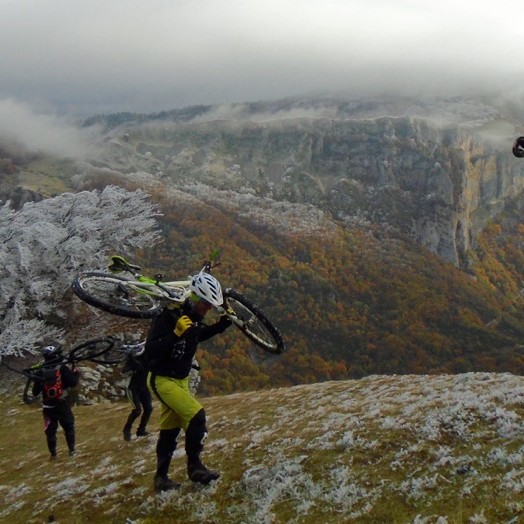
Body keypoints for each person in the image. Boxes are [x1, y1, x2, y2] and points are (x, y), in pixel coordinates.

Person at [146, 272, 232, 493]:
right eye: (205, 304)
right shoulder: (168, 316)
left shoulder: (193, 317)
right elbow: (151, 349)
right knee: (196, 416)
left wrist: (221, 326)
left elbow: (195, 335)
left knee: (170, 428)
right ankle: (195, 467)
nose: (208, 309)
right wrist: (174, 335)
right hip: (162, 378)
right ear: (194, 299)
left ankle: (161, 478)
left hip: (180, 378)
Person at [32, 344, 79, 459]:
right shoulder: (61, 367)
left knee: (50, 432)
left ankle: (53, 454)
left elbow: (35, 392)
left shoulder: (40, 370)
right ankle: (72, 451)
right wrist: (76, 374)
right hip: (62, 403)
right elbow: (73, 383)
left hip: (47, 407)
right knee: (68, 427)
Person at [122, 343, 153, 441]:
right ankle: (127, 429)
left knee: (148, 408)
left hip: (144, 387)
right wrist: (133, 368)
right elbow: (123, 372)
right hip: (132, 388)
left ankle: (141, 430)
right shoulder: (133, 359)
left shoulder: (149, 359)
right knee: (137, 410)